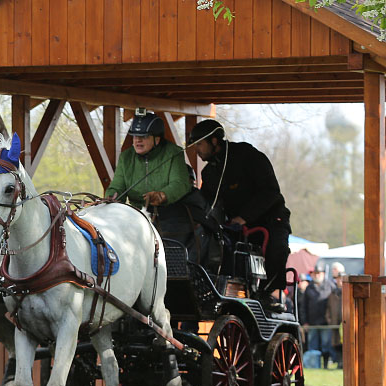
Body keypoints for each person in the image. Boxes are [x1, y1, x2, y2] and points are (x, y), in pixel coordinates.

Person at [187, 119, 291, 313]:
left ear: (215, 141)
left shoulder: (247, 155)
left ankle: (268, 295)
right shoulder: (209, 173)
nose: (197, 151)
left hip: (270, 219)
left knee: (277, 249)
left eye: (200, 144)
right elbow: (206, 204)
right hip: (235, 226)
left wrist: (244, 217)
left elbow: (271, 192)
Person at [105, 111, 208, 262]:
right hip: (138, 216)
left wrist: (162, 195)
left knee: (168, 251)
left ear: (157, 139)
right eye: (135, 136)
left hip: (171, 217)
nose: (138, 141)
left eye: (144, 137)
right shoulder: (126, 157)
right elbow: (118, 185)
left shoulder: (174, 153)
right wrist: (111, 195)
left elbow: (180, 183)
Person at [299, 266, 335, 367]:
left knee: (326, 345)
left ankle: (326, 365)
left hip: (326, 322)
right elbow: (303, 307)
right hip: (312, 322)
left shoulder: (330, 286)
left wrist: (331, 319)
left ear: (323, 274)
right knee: (313, 345)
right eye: (315, 273)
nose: (317, 275)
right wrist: (304, 322)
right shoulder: (309, 288)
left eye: (319, 273)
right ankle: (313, 365)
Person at [325, 262, 345, 368]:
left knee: (345, 343)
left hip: (345, 324)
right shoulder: (332, 294)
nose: (340, 281)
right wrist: (329, 319)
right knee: (336, 344)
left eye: (342, 279)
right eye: (338, 279)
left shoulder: (348, 293)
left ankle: (344, 363)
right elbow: (328, 309)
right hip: (335, 324)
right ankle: (339, 362)